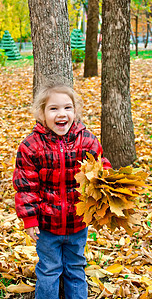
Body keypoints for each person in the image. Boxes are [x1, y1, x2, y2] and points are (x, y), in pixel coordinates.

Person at [13, 83, 111, 299]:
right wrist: (30, 219)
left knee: (76, 269)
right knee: (49, 271)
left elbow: (100, 167)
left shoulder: (87, 140)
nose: (61, 114)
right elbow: (25, 185)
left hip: (78, 222)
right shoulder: (31, 146)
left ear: (75, 111)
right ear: (42, 113)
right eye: (53, 108)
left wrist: (106, 183)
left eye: (67, 107)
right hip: (47, 226)